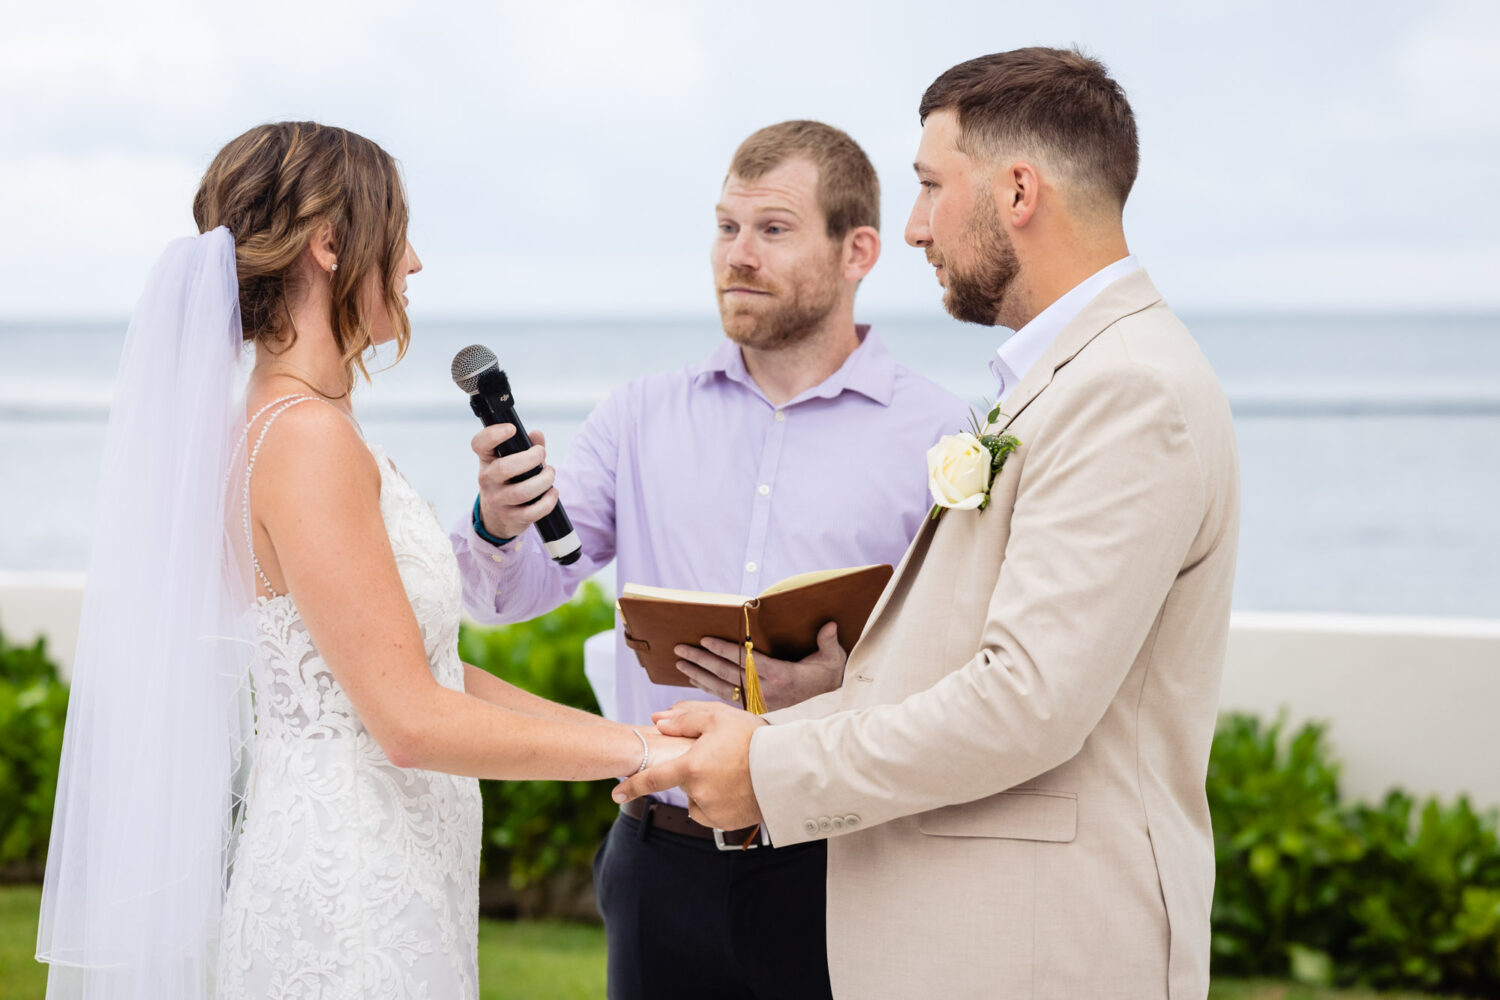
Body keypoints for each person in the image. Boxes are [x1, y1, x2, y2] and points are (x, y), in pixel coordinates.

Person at [617, 48, 1242, 1000]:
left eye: (929, 187)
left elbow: (1025, 701)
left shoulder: (1126, 391)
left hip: (1042, 948)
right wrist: (819, 700)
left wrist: (770, 764)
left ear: (1018, 191)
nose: (912, 229)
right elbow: (979, 659)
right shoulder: (1070, 377)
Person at [36, 121, 689, 1000]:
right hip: (352, 890)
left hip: (384, 863)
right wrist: (644, 749)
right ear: (332, 245)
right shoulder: (306, 441)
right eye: (399, 233)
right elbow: (411, 719)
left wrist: (641, 746)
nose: (414, 264)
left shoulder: (289, 425)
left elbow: (427, 670)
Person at [452, 120, 967, 999]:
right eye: (726, 228)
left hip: (847, 861)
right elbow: (515, 594)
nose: (738, 255)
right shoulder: (638, 415)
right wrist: (501, 524)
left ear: (860, 250)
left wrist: (847, 685)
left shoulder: (941, 433)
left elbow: (967, 656)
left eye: (772, 230)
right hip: (661, 863)